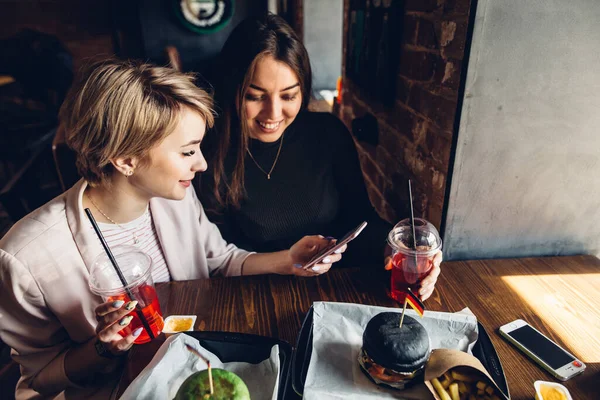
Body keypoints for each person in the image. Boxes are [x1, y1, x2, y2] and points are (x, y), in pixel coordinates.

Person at [0, 59, 345, 399]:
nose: (202, 163)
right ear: (125, 159)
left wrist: (288, 260)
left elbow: (221, 259)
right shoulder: (24, 258)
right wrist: (103, 347)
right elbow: (40, 381)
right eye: (188, 151)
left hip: (199, 369)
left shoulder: (175, 196)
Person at [198, 13, 441, 294]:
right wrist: (288, 262)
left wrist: (396, 248)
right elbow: (221, 259)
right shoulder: (207, 154)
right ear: (233, 89)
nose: (273, 114)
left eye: (289, 96)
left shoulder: (327, 133)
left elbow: (360, 217)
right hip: (255, 297)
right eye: (255, 96)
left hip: (336, 289)